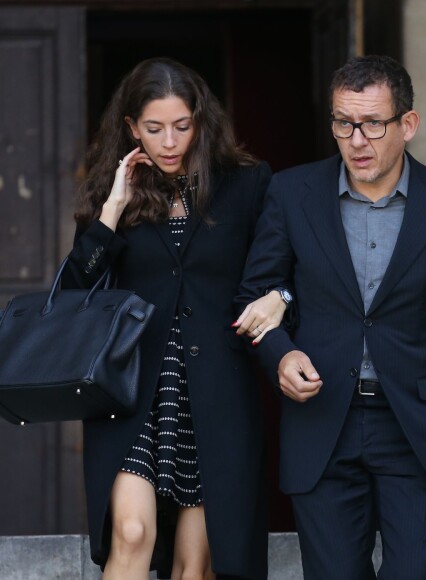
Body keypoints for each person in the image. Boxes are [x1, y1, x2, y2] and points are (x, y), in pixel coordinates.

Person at [237, 54, 426, 579]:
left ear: (408, 124)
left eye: (373, 124)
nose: (357, 140)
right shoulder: (292, 194)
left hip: (416, 429)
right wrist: (280, 354)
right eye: (344, 123)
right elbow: (255, 295)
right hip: (322, 425)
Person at [62, 57, 287, 580]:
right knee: (132, 533)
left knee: (195, 564)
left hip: (216, 394)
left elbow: (284, 266)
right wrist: (114, 208)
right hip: (133, 392)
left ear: (201, 121)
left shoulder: (248, 185)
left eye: (182, 127)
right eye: (155, 128)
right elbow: (74, 293)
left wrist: (281, 294)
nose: (169, 142)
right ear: (131, 128)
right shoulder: (111, 193)